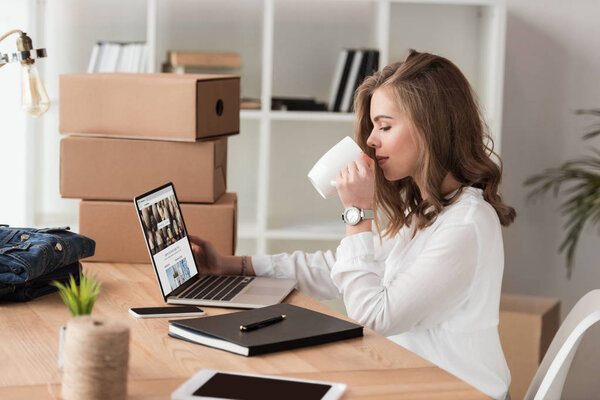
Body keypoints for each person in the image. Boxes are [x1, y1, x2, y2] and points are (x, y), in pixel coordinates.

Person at [189, 49, 516, 400]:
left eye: (385, 126)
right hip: (415, 382)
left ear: (431, 129)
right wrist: (234, 266)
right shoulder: (428, 210)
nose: (371, 140)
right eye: (373, 126)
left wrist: (357, 214)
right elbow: (339, 269)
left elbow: (375, 315)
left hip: (458, 393)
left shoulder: (465, 225)